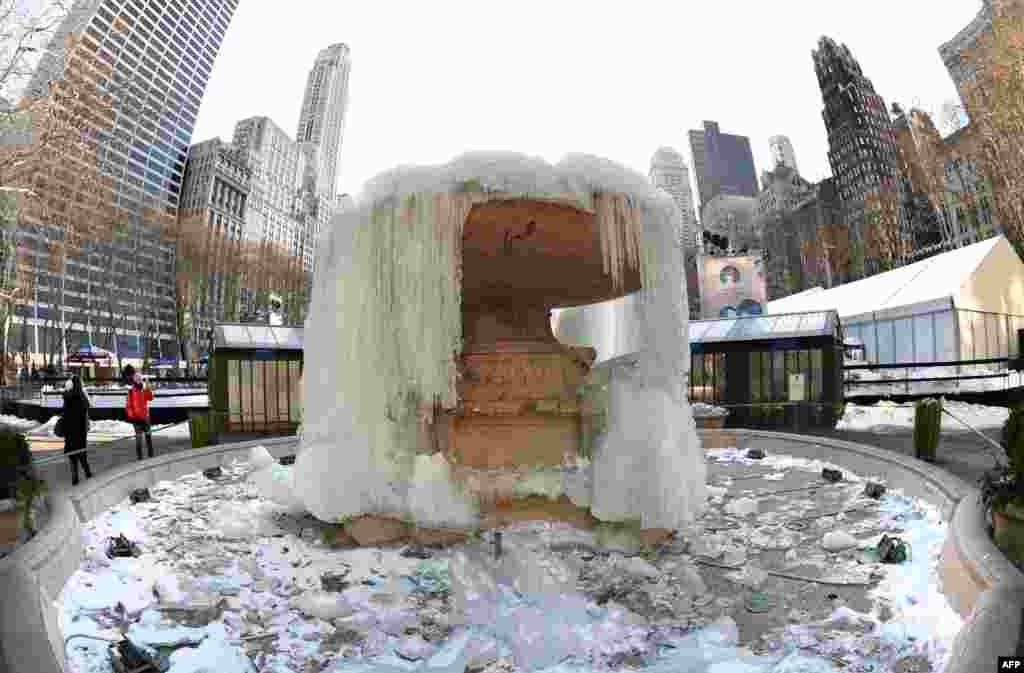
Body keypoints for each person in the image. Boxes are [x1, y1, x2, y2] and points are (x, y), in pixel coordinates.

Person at [62, 375, 92, 486]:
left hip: (69, 431)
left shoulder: (66, 397)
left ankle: (74, 479)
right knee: (82, 454)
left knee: (72, 456)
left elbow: (64, 413)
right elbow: (87, 407)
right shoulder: (81, 397)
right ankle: (88, 474)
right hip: (79, 430)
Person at [127, 372, 155, 460]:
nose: (139, 379)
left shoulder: (144, 388)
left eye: (140, 378)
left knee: (148, 438)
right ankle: (140, 458)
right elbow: (128, 406)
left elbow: (150, 398)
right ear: (134, 379)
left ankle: (151, 456)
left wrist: (148, 387)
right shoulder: (131, 391)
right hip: (136, 419)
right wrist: (132, 416)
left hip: (145, 417)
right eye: (137, 378)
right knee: (138, 440)